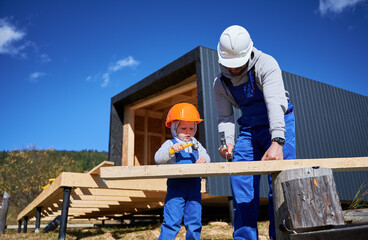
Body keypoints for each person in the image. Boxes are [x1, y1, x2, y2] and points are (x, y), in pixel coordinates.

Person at [213, 25, 296, 240]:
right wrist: (227, 142)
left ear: (248, 52)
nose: (234, 69)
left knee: (280, 184)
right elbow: (225, 118)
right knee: (240, 179)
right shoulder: (220, 84)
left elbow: (275, 103)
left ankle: (281, 236)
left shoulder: (266, 64)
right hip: (249, 129)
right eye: (230, 65)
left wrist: (277, 141)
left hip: (277, 122)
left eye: (238, 64)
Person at [155, 102, 210, 240]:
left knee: (194, 222)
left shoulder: (197, 145)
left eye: (191, 128)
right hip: (176, 190)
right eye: (183, 128)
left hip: (194, 189)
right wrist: (171, 150)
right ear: (174, 128)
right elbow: (158, 158)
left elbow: (207, 158)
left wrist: (204, 160)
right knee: (172, 221)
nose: (188, 132)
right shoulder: (170, 143)